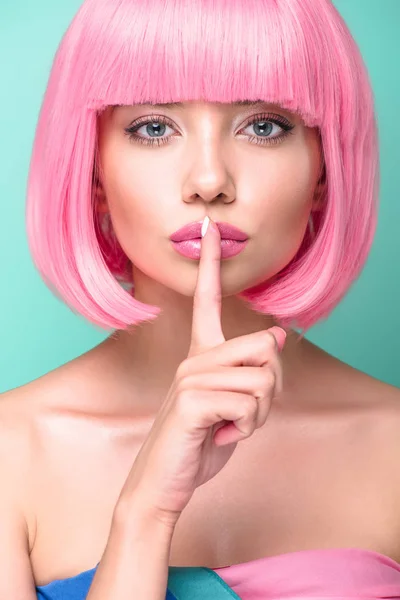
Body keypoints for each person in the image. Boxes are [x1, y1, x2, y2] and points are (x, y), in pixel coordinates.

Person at [1, 0, 399, 597]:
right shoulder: (11, 451)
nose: (210, 180)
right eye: (153, 127)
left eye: (264, 126)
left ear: (324, 173)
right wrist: (144, 513)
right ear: (93, 176)